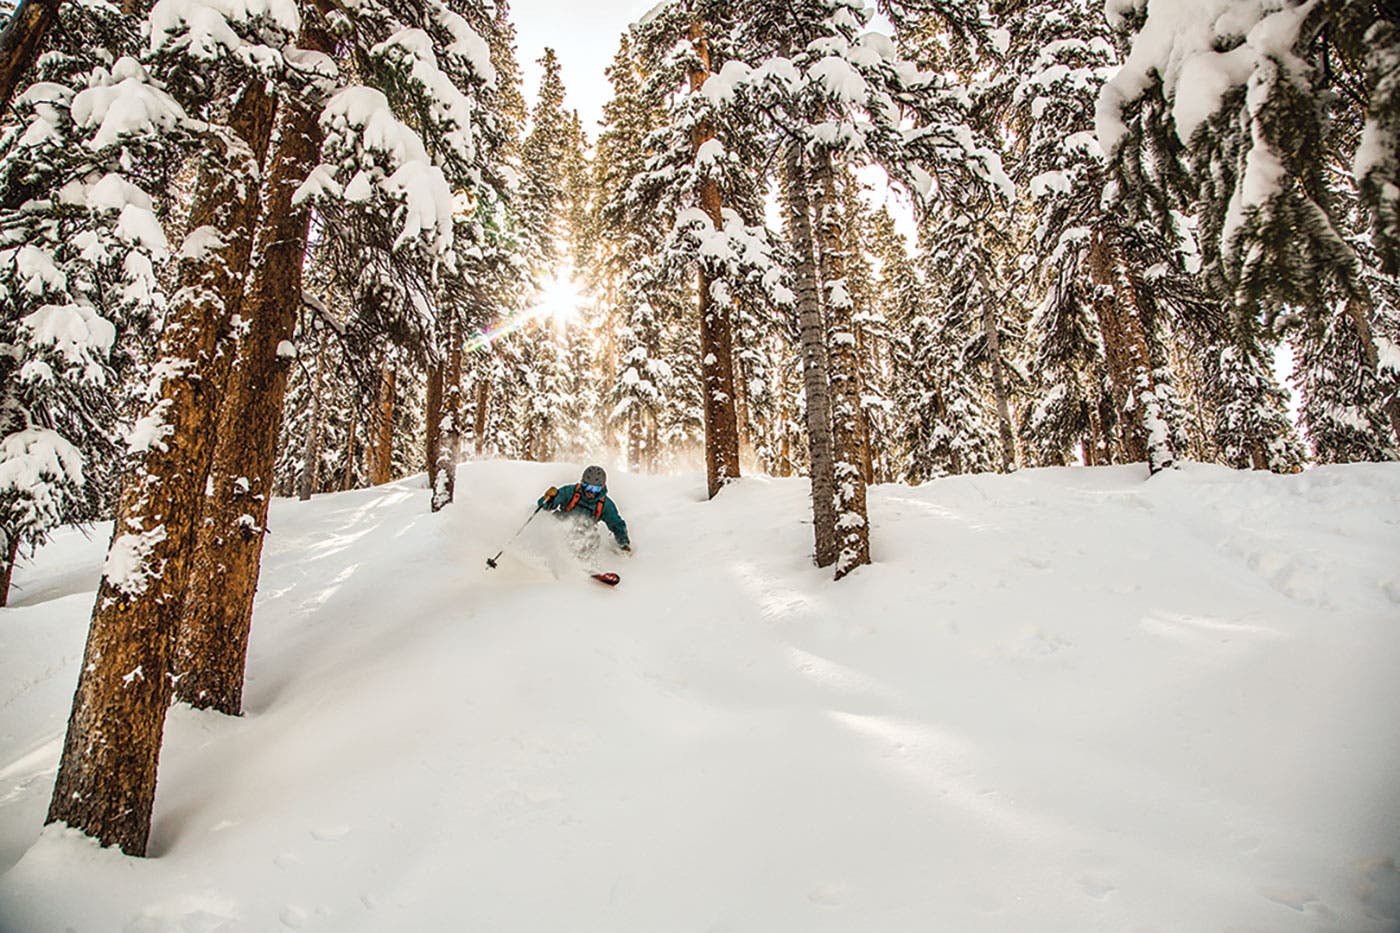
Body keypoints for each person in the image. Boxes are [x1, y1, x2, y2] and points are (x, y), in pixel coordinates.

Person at [538, 465, 631, 561]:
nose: (590, 492)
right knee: (554, 526)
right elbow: (545, 505)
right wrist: (548, 498)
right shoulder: (570, 492)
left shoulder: (605, 505)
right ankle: (544, 554)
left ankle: (583, 564)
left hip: (583, 535)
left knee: (592, 537)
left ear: (602, 487)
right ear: (582, 482)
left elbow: (616, 524)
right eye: (587, 487)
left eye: (595, 489)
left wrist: (624, 544)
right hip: (560, 528)